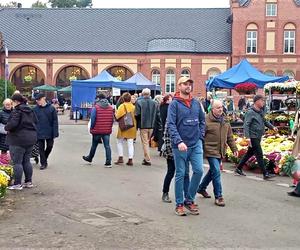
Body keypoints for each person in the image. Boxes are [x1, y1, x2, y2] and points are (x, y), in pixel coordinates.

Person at [167, 76, 206, 216]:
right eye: (185, 84)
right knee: (181, 173)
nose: (188, 86)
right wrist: (178, 141)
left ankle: (188, 200)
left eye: (190, 83)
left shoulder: (196, 102)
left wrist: (200, 136)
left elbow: (202, 121)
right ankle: (179, 203)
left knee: (199, 171)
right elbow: (170, 124)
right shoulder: (174, 104)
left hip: (195, 143)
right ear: (179, 86)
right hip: (180, 145)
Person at [197, 100, 238, 207]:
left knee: (212, 171)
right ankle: (219, 196)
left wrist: (234, 149)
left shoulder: (225, 120)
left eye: (221, 107)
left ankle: (201, 188)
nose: (220, 109)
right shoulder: (206, 120)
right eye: (218, 108)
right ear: (212, 109)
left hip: (221, 150)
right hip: (210, 150)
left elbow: (229, 136)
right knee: (216, 171)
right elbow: (200, 136)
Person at [235, 95, 278, 180]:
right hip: (253, 136)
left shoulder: (260, 111)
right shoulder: (250, 112)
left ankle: (238, 168)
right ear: (257, 101)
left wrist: (272, 127)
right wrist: (247, 137)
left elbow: (264, 121)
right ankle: (265, 173)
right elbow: (246, 125)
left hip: (258, 136)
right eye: (262, 101)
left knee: (249, 153)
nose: (263, 103)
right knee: (259, 154)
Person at [5, 94, 37, 190]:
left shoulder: (17, 111)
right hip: (30, 139)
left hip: (18, 139)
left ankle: (17, 184)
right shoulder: (30, 110)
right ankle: (28, 182)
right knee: (26, 161)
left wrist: (7, 127)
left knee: (17, 162)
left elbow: (13, 124)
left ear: (16, 101)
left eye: (13, 102)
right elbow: (36, 121)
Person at [82, 92, 114, 167]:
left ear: (99, 98)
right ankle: (108, 162)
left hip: (97, 129)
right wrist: (110, 127)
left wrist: (92, 128)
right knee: (107, 146)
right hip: (106, 130)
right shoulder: (110, 107)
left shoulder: (95, 107)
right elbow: (112, 119)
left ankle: (90, 158)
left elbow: (93, 119)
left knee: (94, 145)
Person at [135, 88, 162, 166]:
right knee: (147, 141)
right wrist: (160, 125)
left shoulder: (139, 102)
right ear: (150, 94)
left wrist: (137, 125)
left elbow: (137, 114)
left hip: (143, 125)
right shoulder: (155, 103)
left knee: (145, 143)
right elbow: (158, 115)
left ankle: (147, 159)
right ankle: (146, 158)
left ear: (143, 94)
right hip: (152, 125)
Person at [33, 93, 59, 170]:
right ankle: (43, 163)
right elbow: (33, 121)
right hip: (39, 131)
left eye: (39, 100)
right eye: (37, 100)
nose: (38, 102)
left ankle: (44, 157)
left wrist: (55, 132)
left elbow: (55, 121)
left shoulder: (51, 108)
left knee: (50, 146)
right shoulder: (35, 109)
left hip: (49, 131)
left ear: (44, 98)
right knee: (41, 148)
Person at [114, 92, 137, 166]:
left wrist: (115, 113)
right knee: (130, 144)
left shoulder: (121, 106)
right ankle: (130, 159)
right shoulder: (134, 107)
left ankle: (120, 157)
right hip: (132, 126)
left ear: (123, 99)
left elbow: (117, 117)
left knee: (119, 142)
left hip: (123, 126)